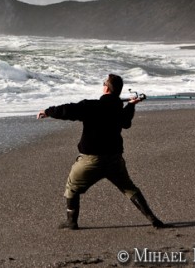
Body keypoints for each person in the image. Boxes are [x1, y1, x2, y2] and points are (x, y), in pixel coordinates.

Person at [37, 73, 171, 230]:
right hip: (114, 160)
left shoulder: (91, 106)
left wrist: (48, 111)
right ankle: (153, 219)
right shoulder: (118, 108)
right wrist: (132, 105)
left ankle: (71, 222)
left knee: (72, 187)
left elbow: (68, 110)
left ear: (106, 88)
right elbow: (126, 123)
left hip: (90, 161)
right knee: (129, 189)